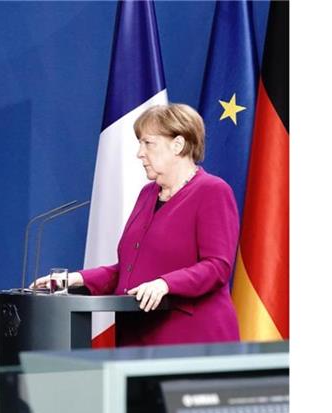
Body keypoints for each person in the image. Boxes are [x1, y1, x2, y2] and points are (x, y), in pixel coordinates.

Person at [33, 103, 240, 347]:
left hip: (192, 341)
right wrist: (76, 279)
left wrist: (165, 284)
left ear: (178, 145)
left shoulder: (212, 191)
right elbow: (129, 270)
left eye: (148, 143)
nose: (139, 153)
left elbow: (218, 266)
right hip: (138, 338)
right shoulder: (147, 194)